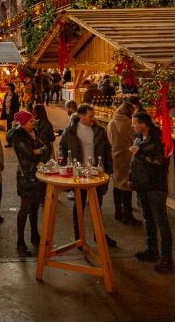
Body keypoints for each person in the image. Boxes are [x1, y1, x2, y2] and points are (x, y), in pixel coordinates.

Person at [59, 104, 116, 247]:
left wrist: (109, 170)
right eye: (90, 116)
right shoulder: (70, 131)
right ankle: (78, 237)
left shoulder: (99, 131)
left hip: (96, 173)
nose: (93, 118)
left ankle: (99, 235)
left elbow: (107, 150)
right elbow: (62, 148)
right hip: (79, 174)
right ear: (81, 116)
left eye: (93, 115)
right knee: (79, 205)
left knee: (97, 206)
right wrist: (66, 166)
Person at [130, 112, 173, 273]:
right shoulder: (138, 138)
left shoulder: (159, 139)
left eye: (135, 123)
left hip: (155, 186)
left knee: (161, 222)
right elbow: (134, 162)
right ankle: (152, 250)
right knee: (148, 219)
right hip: (141, 185)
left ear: (144, 124)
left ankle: (167, 258)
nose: (133, 126)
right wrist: (131, 177)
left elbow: (160, 162)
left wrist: (139, 153)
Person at [7, 111, 46, 255]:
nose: (33, 123)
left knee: (35, 206)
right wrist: (38, 151)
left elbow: (44, 147)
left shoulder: (32, 133)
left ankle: (35, 234)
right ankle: (20, 241)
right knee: (25, 208)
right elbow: (29, 153)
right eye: (30, 121)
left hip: (35, 174)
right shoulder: (19, 136)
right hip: (26, 176)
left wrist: (39, 151)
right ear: (23, 124)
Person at [108, 102, 140, 224]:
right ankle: (127, 214)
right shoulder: (128, 124)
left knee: (117, 184)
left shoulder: (111, 122)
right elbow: (135, 140)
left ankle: (118, 212)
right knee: (126, 185)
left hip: (114, 156)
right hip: (126, 157)